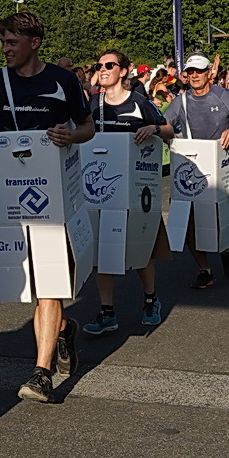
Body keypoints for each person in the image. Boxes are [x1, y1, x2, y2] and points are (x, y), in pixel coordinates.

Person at [0, 10, 93, 404]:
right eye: (3, 42)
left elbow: (87, 127)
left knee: (48, 286)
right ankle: (64, 330)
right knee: (36, 286)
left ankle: (41, 374)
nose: (5, 49)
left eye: (12, 42)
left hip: (54, 191)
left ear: (34, 43)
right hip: (13, 189)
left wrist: (70, 136)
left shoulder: (62, 80)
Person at [83, 49, 172, 333]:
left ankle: (151, 299)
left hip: (134, 188)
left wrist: (153, 129)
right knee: (101, 251)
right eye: (99, 65)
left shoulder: (139, 102)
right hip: (101, 189)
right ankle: (107, 311)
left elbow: (169, 130)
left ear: (123, 71)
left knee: (140, 247)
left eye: (109, 65)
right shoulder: (92, 103)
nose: (102, 69)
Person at [162, 53, 229, 289]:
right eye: (191, 71)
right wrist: (158, 131)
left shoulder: (224, 96)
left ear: (210, 73)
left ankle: (225, 249)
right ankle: (204, 269)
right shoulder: (181, 101)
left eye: (199, 71)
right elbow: (165, 125)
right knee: (189, 221)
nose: (195, 75)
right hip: (190, 165)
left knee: (215, 219)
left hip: (218, 164)